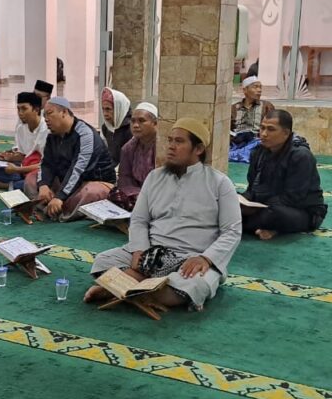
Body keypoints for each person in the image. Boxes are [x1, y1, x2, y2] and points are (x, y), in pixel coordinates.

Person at [83, 118, 242, 313]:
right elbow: (139, 220)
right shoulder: (155, 177)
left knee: (196, 284)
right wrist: (140, 250)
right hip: (152, 251)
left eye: (179, 141)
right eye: (170, 140)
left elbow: (232, 231)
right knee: (103, 260)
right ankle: (144, 288)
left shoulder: (220, 183)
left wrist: (206, 259)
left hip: (192, 257)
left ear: (198, 149)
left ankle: (125, 285)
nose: (171, 146)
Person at [240, 110, 328, 240]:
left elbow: (293, 197)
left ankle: (242, 224)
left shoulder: (301, 156)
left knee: (273, 214)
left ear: (286, 133)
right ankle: (258, 226)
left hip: (301, 210)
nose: (263, 134)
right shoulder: (258, 152)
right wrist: (243, 201)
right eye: (262, 128)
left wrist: (259, 206)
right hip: (265, 205)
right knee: (229, 203)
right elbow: (252, 189)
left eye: (271, 129)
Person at [25, 96, 115, 221]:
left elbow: (78, 170)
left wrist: (60, 196)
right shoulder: (52, 136)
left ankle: (57, 211)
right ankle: (51, 208)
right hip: (66, 181)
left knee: (90, 192)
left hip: (91, 182)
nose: (46, 119)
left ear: (64, 112)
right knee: (31, 179)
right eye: (44, 115)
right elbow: (46, 164)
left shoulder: (85, 134)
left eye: (49, 113)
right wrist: (43, 185)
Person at [0, 92, 48, 190]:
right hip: (25, 167)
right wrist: (9, 158)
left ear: (36, 109)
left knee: (40, 179)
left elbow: (45, 165)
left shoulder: (46, 130)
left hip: (41, 169)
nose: (20, 113)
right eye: (18, 109)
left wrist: (18, 169)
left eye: (24, 109)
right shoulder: (21, 128)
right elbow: (23, 155)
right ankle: (21, 183)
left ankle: (9, 185)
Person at [108, 102, 158, 211]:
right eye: (133, 121)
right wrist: (136, 194)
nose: (135, 125)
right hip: (136, 195)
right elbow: (125, 178)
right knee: (115, 195)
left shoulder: (163, 148)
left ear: (155, 124)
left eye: (141, 121)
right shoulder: (128, 148)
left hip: (158, 195)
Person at [229, 76, 274, 163]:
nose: (259, 90)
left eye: (260, 87)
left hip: (258, 142)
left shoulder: (266, 106)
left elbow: (272, 127)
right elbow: (228, 130)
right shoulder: (234, 108)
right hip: (237, 143)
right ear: (245, 90)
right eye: (255, 87)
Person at [100, 87, 132, 165]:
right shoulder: (106, 128)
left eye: (108, 109)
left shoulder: (131, 130)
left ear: (119, 108)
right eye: (103, 109)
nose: (105, 114)